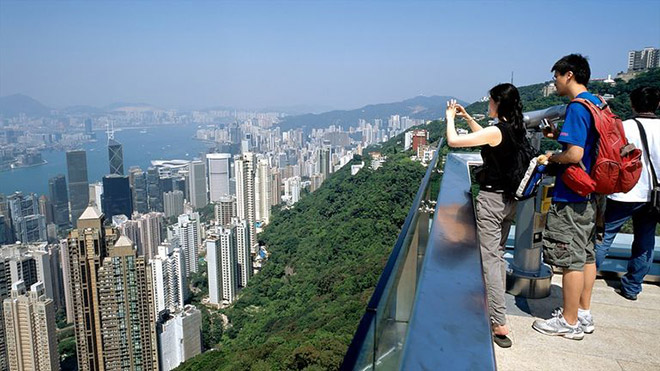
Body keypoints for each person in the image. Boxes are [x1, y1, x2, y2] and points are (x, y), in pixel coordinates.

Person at [445, 83, 527, 348]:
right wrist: (468, 118)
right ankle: (492, 304)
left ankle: (499, 321)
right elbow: (487, 138)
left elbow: (453, 141)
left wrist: (449, 119)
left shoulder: (498, 131)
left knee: (490, 260)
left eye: (490, 101)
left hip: (492, 202)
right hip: (510, 201)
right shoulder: (515, 129)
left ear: (497, 104)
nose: (487, 104)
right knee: (497, 254)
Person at [532, 54, 598, 340]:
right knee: (585, 253)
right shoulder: (597, 103)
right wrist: (557, 134)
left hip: (572, 193)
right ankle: (583, 312)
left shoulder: (576, 107)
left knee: (569, 258)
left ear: (568, 74)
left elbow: (574, 154)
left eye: (556, 76)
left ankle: (568, 322)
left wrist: (551, 156)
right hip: (592, 189)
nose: (555, 82)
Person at [595, 86, 660, 300]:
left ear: (632, 104)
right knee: (645, 240)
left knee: (603, 238)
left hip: (623, 192)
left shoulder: (623, 128)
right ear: (657, 105)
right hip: (653, 196)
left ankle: (584, 281)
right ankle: (632, 287)